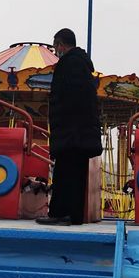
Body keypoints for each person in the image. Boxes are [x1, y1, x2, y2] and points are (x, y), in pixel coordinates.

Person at [37, 28, 103, 226]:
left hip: (70, 131)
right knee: (77, 173)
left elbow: (66, 98)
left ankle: (60, 212)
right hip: (82, 131)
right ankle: (74, 215)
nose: (56, 51)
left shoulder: (68, 64)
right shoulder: (83, 65)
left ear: (61, 45)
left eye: (56, 46)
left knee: (64, 172)